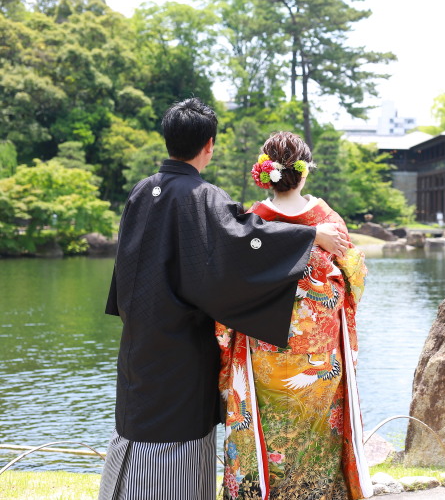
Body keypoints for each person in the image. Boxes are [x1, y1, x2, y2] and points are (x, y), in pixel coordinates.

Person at [99, 99, 348, 500]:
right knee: (178, 426)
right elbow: (242, 244)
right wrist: (308, 235)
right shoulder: (203, 196)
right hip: (183, 337)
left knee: (138, 418)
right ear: (209, 145)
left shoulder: (142, 191)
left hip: (141, 332)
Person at [217, 131, 372, 500]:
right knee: (319, 436)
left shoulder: (253, 219)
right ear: (304, 172)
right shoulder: (327, 218)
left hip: (264, 358)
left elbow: (231, 287)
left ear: (265, 171)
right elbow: (353, 282)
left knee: (268, 433)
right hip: (320, 359)